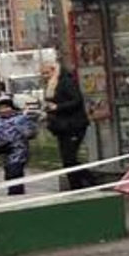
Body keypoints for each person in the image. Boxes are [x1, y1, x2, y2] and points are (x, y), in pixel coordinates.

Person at [43, 61, 97, 190]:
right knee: (67, 159)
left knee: (70, 158)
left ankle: (90, 180)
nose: (44, 76)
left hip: (73, 125)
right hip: (61, 127)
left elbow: (77, 100)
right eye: (43, 74)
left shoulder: (66, 82)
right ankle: (76, 186)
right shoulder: (52, 85)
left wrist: (58, 107)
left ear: (54, 70)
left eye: (46, 73)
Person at [0, 97, 37, 195]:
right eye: (1, 108)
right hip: (6, 153)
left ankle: (16, 194)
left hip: (19, 152)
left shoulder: (21, 119)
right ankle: (14, 193)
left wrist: (25, 131)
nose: (4, 110)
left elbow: (31, 133)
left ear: (12, 107)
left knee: (16, 173)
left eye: (7, 107)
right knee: (9, 175)